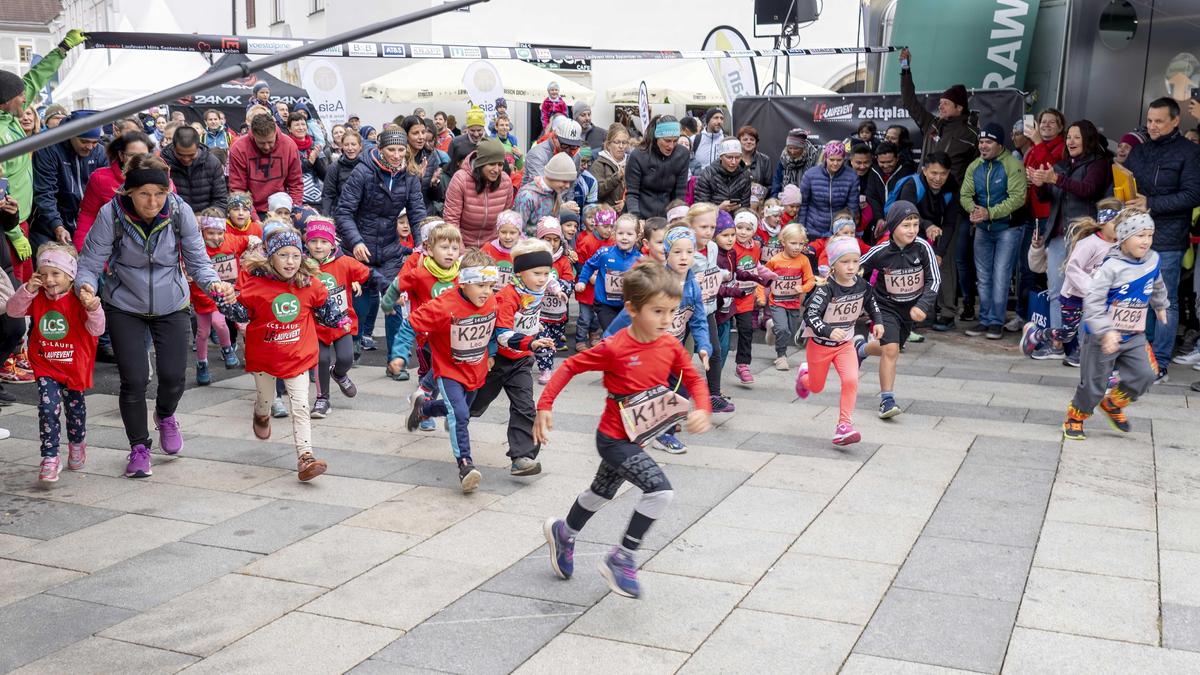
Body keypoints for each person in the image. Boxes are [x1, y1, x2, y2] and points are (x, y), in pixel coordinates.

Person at [537, 263, 712, 599]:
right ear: (632, 309)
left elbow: (691, 377)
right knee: (660, 492)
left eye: (672, 312)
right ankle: (623, 557)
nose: (666, 320)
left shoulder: (670, 345)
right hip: (614, 439)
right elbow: (571, 366)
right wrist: (545, 405)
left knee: (599, 494)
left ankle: (563, 532)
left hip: (639, 436)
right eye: (657, 311)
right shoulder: (615, 347)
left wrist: (702, 406)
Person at [76, 153, 234, 478]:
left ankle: (165, 416)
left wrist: (215, 283)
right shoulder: (112, 215)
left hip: (172, 303)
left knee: (174, 376)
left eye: (159, 193)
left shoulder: (180, 211)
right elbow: (91, 262)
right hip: (125, 305)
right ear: (129, 192)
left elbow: (198, 260)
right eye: (145, 193)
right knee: (133, 380)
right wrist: (86, 287)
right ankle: (138, 448)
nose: (152, 201)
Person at [219, 226, 345, 480]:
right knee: (265, 398)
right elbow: (241, 314)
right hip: (265, 357)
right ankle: (261, 413)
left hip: (297, 357)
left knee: (300, 405)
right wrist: (225, 302)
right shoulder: (254, 285)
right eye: (284, 255)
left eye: (296, 256)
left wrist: (339, 320)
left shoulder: (310, 284)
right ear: (271, 257)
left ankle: (305, 457)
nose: (291, 262)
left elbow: (325, 310)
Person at [600, 225, 712, 453]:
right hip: (647, 350)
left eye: (689, 252)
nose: (683, 257)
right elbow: (628, 314)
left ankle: (658, 428)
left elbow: (699, 319)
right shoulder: (656, 282)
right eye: (677, 252)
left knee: (680, 390)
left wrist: (704, 347)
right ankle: (661, 433)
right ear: (667, 254)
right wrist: (608, 340)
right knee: (651, 392)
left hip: (673, 350)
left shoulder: (693, 286)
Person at [1062, 210, 1168, 440]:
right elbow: (1093, 300)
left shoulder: (1153, 260)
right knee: (1094, 384)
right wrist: (1106, 331)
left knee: (1147, 374)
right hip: (1102, 337)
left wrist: (1160, 306)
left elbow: (1157, 284)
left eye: (1150, 235)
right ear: (1124, 238)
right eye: (1140, 235)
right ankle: (1075, 416)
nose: (1146, 241)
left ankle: (1113, 404)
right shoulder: (1110, 267)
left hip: (1134, 335)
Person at [6, 243, 103, 482]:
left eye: (56, 273)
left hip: (73, 365)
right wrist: (27, 289)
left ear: (70, 275)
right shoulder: (36, 295)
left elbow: (97, 328)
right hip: (45, 364)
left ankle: (77, 442)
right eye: (44, 273)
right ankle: (50, 457)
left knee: (75, 409)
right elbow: (12, 311)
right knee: (48, 409)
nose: (49, 280)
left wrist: (93, 308)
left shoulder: (80, 298)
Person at [407, 248, 499, 492]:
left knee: (461, 410)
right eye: (481, 285)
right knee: (459, 414)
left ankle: (424, 409)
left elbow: (495, 327)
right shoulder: (443, 304)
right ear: (464, 283)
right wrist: (397, 354)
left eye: (490, 285)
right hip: (447, 371)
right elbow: (412, 322)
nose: (487, 292)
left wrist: (493, 352)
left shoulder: (491, 300)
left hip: (475, 370)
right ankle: (465, 465)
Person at [1122, 97, 1200, 382]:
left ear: (1175, 121)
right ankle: (1140, 357)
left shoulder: (1189, 152)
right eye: (1150, 120)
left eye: (1159, 121)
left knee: (1164, 302)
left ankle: (1160, 363)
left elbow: (1193, 195)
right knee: (1138, 300)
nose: (1152, 126)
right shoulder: (1139, 151)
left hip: (1167, 238)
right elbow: (1126, 184)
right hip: (1134, 237)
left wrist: (1150, 203)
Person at [469, 239, 558, 476]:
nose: (543, 278)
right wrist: (531, 341)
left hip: (521, 361)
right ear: (520, 273)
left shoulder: (536, 290)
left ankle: (522, 457)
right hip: (497, 360)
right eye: (537, 273)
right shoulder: (508, 296)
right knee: (472, 405)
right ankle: (434, 408)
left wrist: (536, 334)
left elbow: (531, 319)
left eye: (546, 273)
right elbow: (502, 334)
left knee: (525, 407)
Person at [335, 128, 426, 357]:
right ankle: (354, 338)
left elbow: (417, 214)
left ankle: (395, 358)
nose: (397, 155)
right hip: (359, 245)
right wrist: (355, 241)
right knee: (361, 300)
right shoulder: (363, 172)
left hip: (389, 247)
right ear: (380, 150)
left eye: (401, 150)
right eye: (391, 150)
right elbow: (344, 212)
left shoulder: (410, 177)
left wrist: (422, 245)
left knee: (394, 299)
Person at [1028, 119, 1111, 352]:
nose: (1071, 141)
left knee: (1086, 292)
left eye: (1076, 137)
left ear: (1088, 138)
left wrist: (1055, 178)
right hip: (1057, 235)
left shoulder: (1099, 164)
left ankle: (1083, 348)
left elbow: (1087, 190)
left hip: (1084, 238)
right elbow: (1047, 198)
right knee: (1056, 292)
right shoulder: (1062, 165)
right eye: (1069, 137)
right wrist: (1040, 183)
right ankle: (1057, 345)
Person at [796, 236, 884, 445]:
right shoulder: (825, 288)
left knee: (851, 380)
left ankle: (844, 425)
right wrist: (827, 330)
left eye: (855, 261)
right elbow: (810, 315)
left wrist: (878, 321)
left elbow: (872, 303)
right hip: (820, 346)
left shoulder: (862, 285)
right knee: (816, 387)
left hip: (845, 345)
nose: (851, 267)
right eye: (845, 262)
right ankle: (804, 377)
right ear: (833, 265)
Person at [0, 28, 84, 243]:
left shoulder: (10, 112)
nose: (25, 99)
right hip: (8, 227)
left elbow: (35, 78)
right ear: (5, 101)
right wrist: (14, 232)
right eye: (21, 96)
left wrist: (63, 49)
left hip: (22, 220)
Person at [858, 201, 940, 419]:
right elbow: (858, 267)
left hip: (911, 310)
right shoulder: (880, 251)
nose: (912, 230)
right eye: (906, 225)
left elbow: (934, 279)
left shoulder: (923, 248)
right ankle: (887, 400)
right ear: (893, 227)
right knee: (891, 350)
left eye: (915, 224)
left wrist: (923, 305)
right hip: (885, 306)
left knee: (890, 348)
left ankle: (861, 350)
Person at [1021, 202, 1121, 365]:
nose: (1119, 227)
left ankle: (1085, 353)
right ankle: (1036, 334)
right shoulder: (1088, 243)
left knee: (1095, 325)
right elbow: (1072, 269)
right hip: (1073, 297)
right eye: (1115, 223)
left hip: (1095, 298)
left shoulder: (1119, 246)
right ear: (1103, 222)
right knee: (1067, 333)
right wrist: (1091, 288)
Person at [960, 123, 1027, 339]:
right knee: (983, 275)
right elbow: (965, 195)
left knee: (1001, 275)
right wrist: (974, 211)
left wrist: (990, 212)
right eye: (981, 142)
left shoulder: (1012, 164)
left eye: (988, 142)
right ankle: (985, 319)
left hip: (1008, 228)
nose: (983, 146)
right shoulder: (974, 166)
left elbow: (1018, 197)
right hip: (983, 229)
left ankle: (997, 322)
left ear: (999, 144)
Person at [306, 218, 374, 418]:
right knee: (321, 359)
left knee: (346, 358)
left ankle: (339, 373)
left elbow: (367, 275)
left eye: (324, 242)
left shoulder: (343, 262)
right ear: (306, 242)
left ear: (332, 243)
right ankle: (322, 399)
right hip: (315, 324)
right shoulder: (301, 265)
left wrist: (390, 287)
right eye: (314, 241)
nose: (319, 246)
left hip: (341, 323)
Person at [896, 153, 961, 331]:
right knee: (916, 268)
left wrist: (939, 252)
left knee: (944, 264)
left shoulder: (952, 187)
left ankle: (948, 314)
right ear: (924, 170)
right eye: (933, 173)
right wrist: (927, 225)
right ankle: (922, 313)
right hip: (909, 228)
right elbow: (908, 214)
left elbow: (949, 223)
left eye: (943, 173)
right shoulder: (912, 185)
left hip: (939, 229)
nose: (938, 178)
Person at [898, 48, 979, 184]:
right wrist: (905, 67)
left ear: (959, 107)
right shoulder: (932, 123)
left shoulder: (973, 134)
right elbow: (909, 102)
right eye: (940, 103)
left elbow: (977, 170)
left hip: (951, 196)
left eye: (946, 103)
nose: (940, 107)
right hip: (924, 190)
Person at [31, 110, 105, 250]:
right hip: (49, 226)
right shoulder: (48, 149)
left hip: (87, 224)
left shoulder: (100, 152)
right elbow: (45, 192)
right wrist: (56, 225)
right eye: (84, 141)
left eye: (94, 142)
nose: (89, 147)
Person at [75, 131, 157, 253]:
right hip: (111, 252)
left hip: (153, 254)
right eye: (132, 155)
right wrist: (82, 250)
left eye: (143, 155)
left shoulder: (162, 179)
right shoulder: (100, 178)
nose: (138, 161)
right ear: (121, 155)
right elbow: (88, 216)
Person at [189, 210, 245, 385]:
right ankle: (202, 364)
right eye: (210, 233)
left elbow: (249, 239)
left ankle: (228, 349)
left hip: (219, 295)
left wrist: (256, 242)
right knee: (203, 332)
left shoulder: (231, 241)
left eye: (219, 232)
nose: (215, 237)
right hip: (200, 296)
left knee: (220, 323)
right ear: (202, 232)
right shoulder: (198, 248)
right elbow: (185, 261)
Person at [443, 138, 514, 248]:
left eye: (500, 164)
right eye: (491, 164)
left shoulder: (505, 181)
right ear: (480, 163)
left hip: (493, 246)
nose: (496, 170)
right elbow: (451, 221)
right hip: (463, 245)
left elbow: (505, 219)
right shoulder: (461, 179)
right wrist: (461, 252)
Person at [228, 113, 303, 216]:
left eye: (270, 142)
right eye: (261, 143)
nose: (267, 147)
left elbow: (295, 184)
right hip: (249, 210)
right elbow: (238, 189)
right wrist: (255, 219)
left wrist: (294, 210)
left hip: (281, 208)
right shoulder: (239, 149)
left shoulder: (289, 145)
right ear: (253, 135)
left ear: (275, 133)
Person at [577, 213, 642, 330]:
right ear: (614, 234)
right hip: (604, 304)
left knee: (624, 334)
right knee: (611, 331)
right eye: (620, 233)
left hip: (627, 305)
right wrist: (582, 281)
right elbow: (589, 265)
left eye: (629, 234)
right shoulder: (604, 253)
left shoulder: (640, 260)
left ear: (637, 237)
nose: (624, 237)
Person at [765, 222, 815, 370]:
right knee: (784, 330)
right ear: (783, 242)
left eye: (801, 243)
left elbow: (810, 280)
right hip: (777, 302)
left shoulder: (803, 260)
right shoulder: (775, 261)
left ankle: (772, 327)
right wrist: (761, 295)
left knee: (790, 331)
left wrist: (803, 287)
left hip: (794, 303)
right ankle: (781, 356)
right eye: (793, 243)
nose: (797, 247)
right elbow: (764, 278)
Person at [533, 217, 576, 382]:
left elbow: (569, 282)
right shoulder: (534, 259)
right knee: (543, 340)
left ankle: (545, 360)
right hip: (539, 312)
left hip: (558, 314)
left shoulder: (563, 261)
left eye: (555, 239)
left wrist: (558, 287)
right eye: (547, 239)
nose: (551, 243)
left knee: (554, 342)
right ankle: (545, 369)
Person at [626, 116, 689, 218]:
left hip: (666, 216)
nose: (671, 146)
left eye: (675, 141)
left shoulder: (682, 154)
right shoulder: (638, 155)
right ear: (657, 138)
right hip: (640, 212)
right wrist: (636, 218)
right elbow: (632, 193)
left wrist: (677, 218)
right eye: (667, 141)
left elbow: (680, 192)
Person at [798, 141, 860, 240]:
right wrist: (801, 228)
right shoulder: (810, 175)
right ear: (825, 158)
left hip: (839, 231)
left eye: (839, 160)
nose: (835, 163)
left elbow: (852, 208)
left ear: (844, 159)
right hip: (813, 229)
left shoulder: (852, 176)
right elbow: (803, 204)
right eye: (832, 159)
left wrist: (847, 229)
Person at [573, 206, 615, 350]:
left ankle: (594, 336)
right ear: (596, 225)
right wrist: (588, 276)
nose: (608, 230)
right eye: (605, 226)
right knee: (585, 317)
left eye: (611, 226)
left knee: (597, 316)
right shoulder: (587, 242)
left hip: (602, 288)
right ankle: (580, 339)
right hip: (586, 288)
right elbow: (579, 263)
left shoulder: (613, 242)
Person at [162, 126, 228, 214]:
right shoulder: (163, 165)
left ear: (198, 148)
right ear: (174, 148)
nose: (186, 159)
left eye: (191, 155)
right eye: (180, 154)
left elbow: (220, 200)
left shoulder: (212, 163)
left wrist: (208, 218)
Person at [514, 153, 578, 234]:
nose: (567, 186)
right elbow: (517, 231)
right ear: (553, 176)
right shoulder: (526, 196)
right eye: (564, 181)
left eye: (570, 182)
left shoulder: (556, 193)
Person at [694, 139, 752, 213]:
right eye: (729, 157)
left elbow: (745, 207)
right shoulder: (707, 174)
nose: (733, 162)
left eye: (737, 158)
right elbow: (700, 209)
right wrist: (718, 209)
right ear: (721, 157)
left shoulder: (745, 176)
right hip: (712, 220)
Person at [523, 115, 583, 186]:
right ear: (554, 137)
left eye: (573, 146)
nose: (568, 150)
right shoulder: (537, 154)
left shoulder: (576, 156)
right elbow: (543, 186)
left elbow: (571, 187)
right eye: (564, 145)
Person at [401, 116, 443, 213]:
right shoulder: (399, 156)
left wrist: (435, 184)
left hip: (425, 213)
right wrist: (416, 179)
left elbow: (436, 197)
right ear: (406, 135)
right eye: (415, 133)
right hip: (403, 217)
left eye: (423, 132)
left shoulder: (430, 156)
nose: (421, 137)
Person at [320, 127, 363, 216]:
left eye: (353, 144)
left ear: (360, 146)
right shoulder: (334, 167)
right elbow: (328, 195)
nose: (350, 148)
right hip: (342, 212)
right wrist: (325, 218)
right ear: (342, 146)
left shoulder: (367, 165)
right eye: (346, 145)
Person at [286, 116, 327, 207]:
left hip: (317, 199)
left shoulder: (314, 146)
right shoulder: (286, 147)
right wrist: (309, 163)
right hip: (296, 199)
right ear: (289, 129)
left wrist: (317, 158)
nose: (301, 128)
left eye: (303, 124)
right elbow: (289, 172)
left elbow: (324, 175)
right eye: (297, 125)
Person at [769, 128, 820, 198]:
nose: (792, 152)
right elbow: (777, 180)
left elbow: (817, 183)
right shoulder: (784, 158)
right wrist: (774, 197)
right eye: (790, 148)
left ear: (803, 147)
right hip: (786, 199)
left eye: (796, 148)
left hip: (807, 199)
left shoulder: (813, 157)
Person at [591, 124, 629, 210]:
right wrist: (616, 178)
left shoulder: (631, 162)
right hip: (606, 215)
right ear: (608, 145)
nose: (621, 146)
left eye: (624, 142)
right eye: (617, 142)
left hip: (627, 215)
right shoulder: (599, 164)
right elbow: (597, 192)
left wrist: (626, 203)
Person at [446, 107, 487, 182]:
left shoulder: (491, 144)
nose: (476, 134)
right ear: (467, 129)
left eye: (479, 130)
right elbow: (449, 167)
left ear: (484, 129)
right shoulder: (456, 142)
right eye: (472, 130)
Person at [737, 126, 773, 206]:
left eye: (752, 139)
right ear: (739, 141)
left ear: (756, 142)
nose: (749, 142)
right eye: (745, 139)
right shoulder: (734, 159)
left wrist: (760, 191)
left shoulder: (765, 160)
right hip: (739, 204)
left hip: (758, 205)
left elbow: (769, 185)